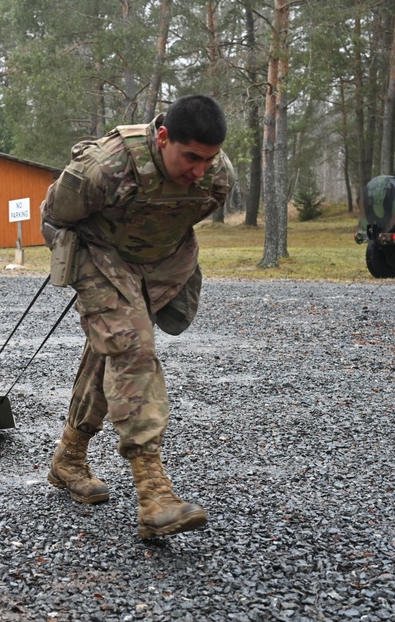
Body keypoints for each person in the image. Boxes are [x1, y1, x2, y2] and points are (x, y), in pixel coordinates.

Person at [40, 94, 235, 539]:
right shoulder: (105, 167)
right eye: (190, 157)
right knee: (132, 348)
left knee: (113, 350)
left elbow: (192, 213)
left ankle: (69, 458)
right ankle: (154, 494)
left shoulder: (218, 174)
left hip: (161, 263)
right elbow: (54, 218)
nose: (199, 171)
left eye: (208, 159)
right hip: (99, 258)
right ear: (162, 137)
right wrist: (92, 277)